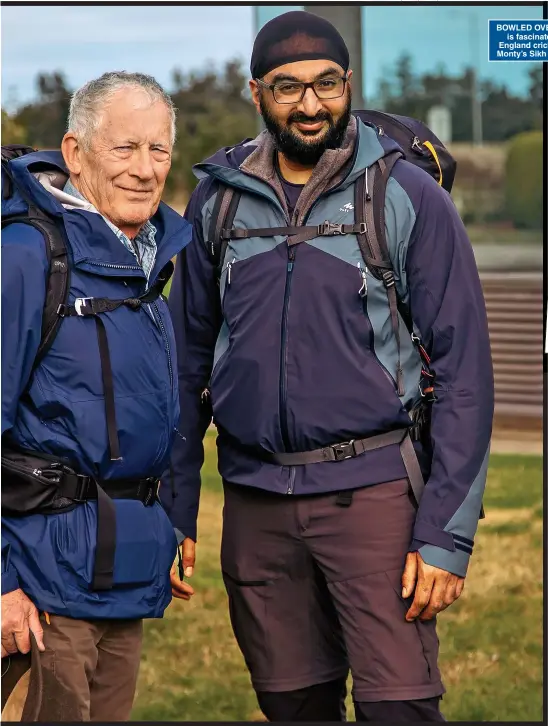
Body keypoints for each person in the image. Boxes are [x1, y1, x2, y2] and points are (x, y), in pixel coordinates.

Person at [164, 11, 494, 723]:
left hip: (373, 497)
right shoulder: (217, 203)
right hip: (255, 503)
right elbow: (183, 366)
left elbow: (466, 373)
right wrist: (175, 508)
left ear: (349, 85)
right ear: (257, 94)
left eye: (327, 84)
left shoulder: (408, 198)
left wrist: (445, 533)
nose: (310, 105)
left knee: (398, 708)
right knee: (292, 707)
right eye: (288, 88)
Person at [1, 71, 194, 721]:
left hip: (120, 579)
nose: (145, 170)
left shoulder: (149, 262)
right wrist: (1, 586)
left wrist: (162, 529)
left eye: (158, 150)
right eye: (124, 148)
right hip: (41, 580)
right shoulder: (28, 256)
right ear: (76, 152)